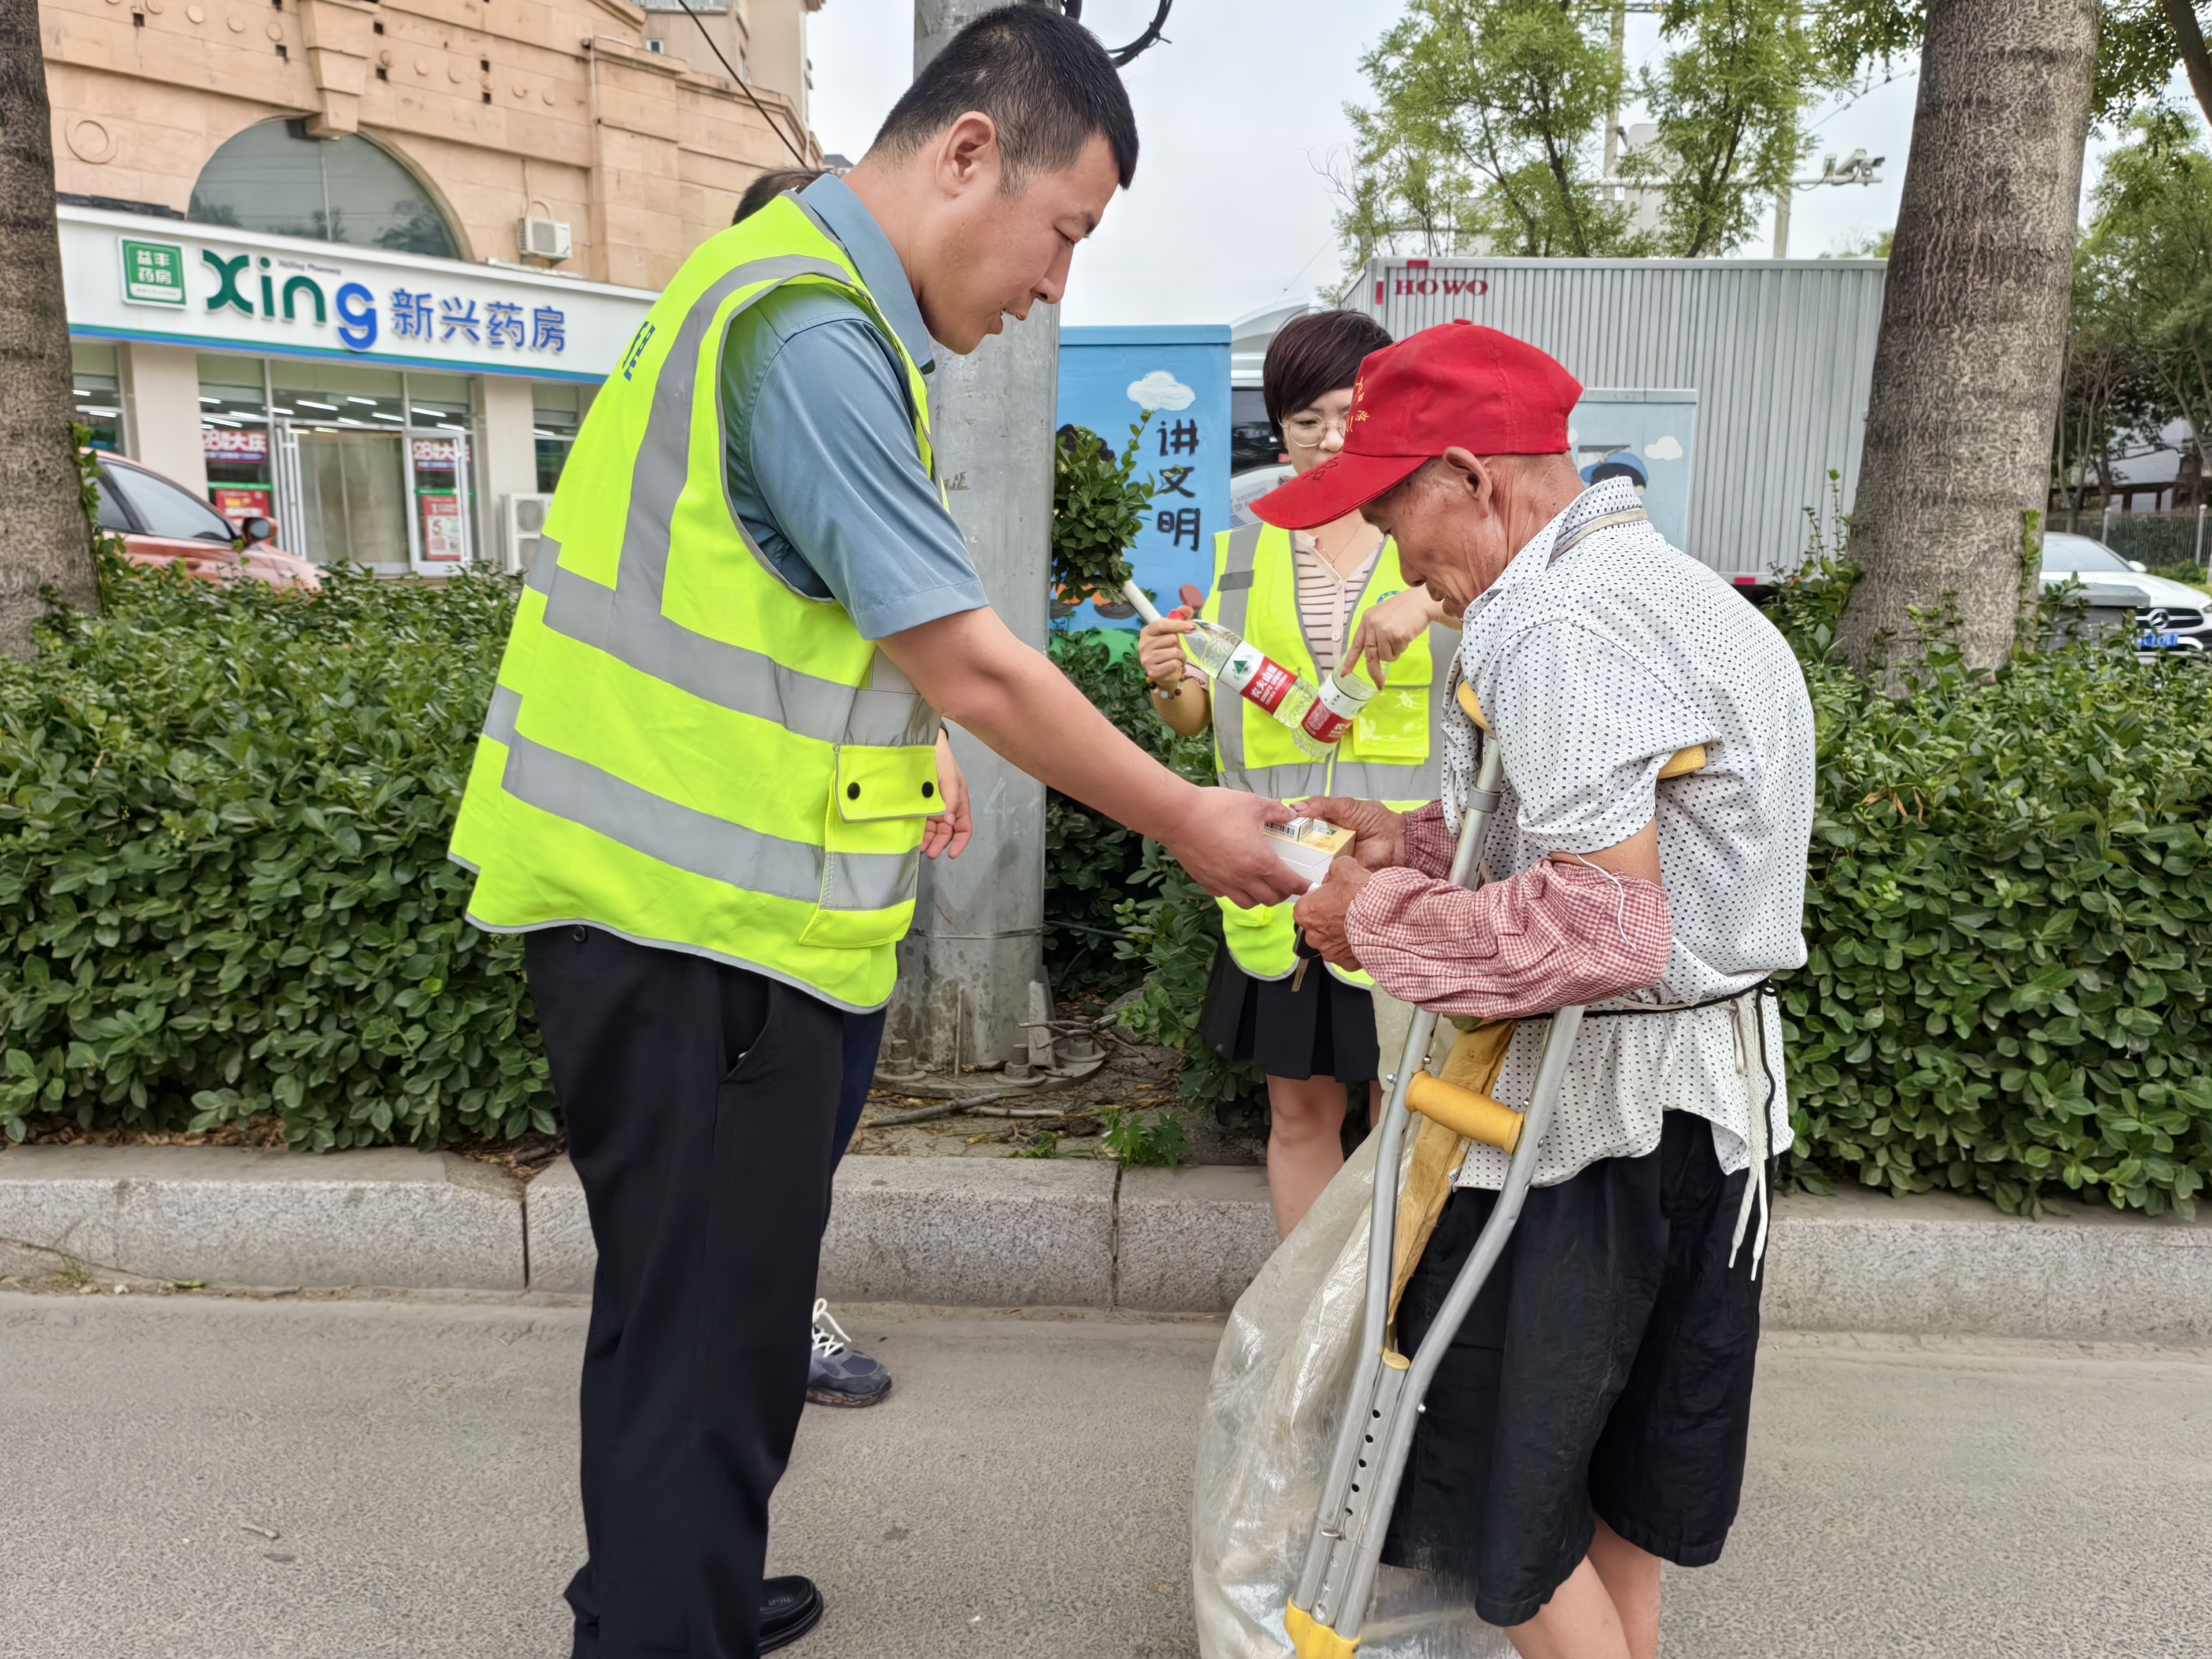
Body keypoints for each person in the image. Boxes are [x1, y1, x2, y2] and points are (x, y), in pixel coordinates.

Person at [446, 11, 1301, 1658]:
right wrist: (1193, 816)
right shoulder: (813, 333)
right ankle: (666, 1619)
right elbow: (973, 657)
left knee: (695, 1329)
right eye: (1066, 232)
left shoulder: (774, 296)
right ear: (971, 153)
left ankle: (668, 1585)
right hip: (702, 938)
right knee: (708, 1354)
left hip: (686, 926)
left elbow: (824, 634)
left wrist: (919, 756)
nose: (1057, 286)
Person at [1276, 321, 1813, 1659]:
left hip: (1591, 1126)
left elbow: (1602, 920)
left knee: (1504, 1503)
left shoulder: (1553, 623)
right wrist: (1411, 842)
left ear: (1470, 477)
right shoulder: (1663, 588)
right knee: (1627, 1485)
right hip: (1711, 1107)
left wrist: (1371, 919)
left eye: (1390, 512)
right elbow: (1613, 838)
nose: (1389, 556)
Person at [1136, 309, 1458, 1237]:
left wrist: (1429, 604)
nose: (1325, 437)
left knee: (1405, 1108)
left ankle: (1388, 1310)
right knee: (1300, 1112)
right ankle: (1304, 1309)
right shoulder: (1242, 552)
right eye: (1303, 418)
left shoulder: (1436, 541)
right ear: (1278, 425)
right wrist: (1168, 680)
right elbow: (1200, 716)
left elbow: (1509, 628)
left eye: (1346, 413)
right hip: (1283, 867)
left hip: (1408, 868)